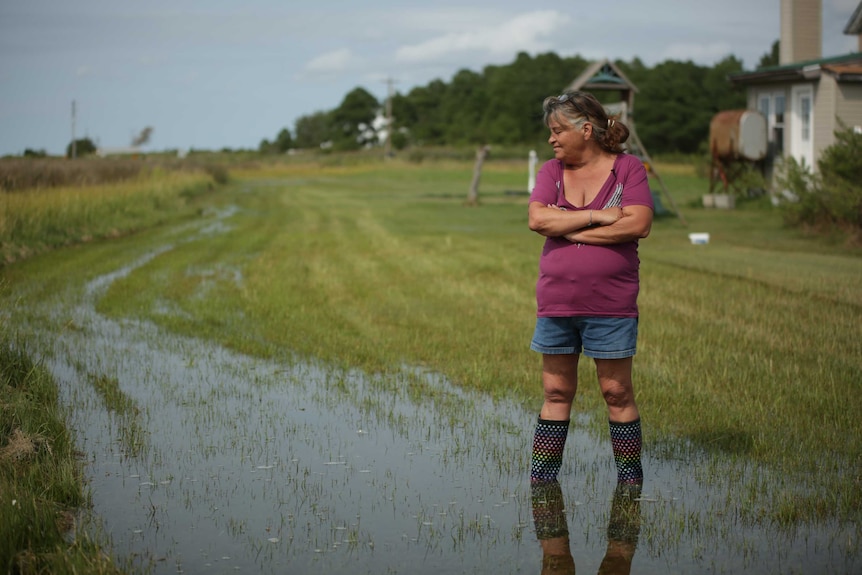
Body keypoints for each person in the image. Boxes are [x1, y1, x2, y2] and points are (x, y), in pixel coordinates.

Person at [527, 90, 653, 488]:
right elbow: (537, 220)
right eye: (550, 132)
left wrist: (569, 227)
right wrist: (598, 217)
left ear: (586, 129)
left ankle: (630, 483)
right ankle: (543, 481)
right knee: (555, 389)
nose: (552, 139)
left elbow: (637, 225)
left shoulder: (627, 169)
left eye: (558, 130)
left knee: (616, 392)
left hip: (611, 305)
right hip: (556, 302)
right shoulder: (551, 172)